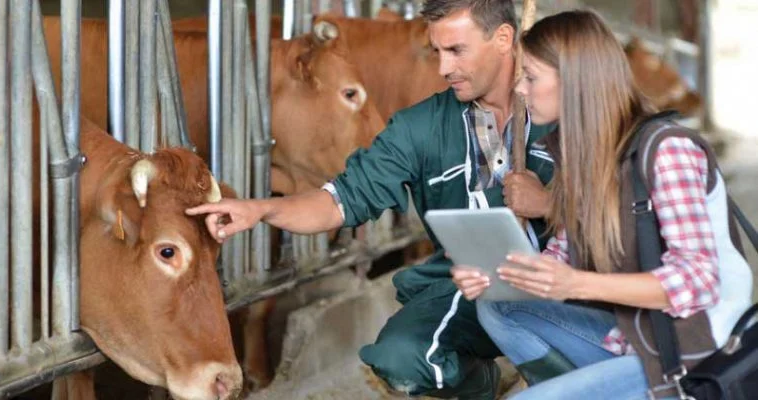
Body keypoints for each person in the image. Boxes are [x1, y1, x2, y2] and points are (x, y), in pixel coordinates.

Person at [186, 1, 558, 398]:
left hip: (571, 284)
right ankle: (485, 383)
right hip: (473, 288)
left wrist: (550, 206)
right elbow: (339, 200)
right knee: (398, 359)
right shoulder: (421, 127)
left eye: (457, 51)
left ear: (503, 39)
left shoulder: (565, 108)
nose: (443, 69)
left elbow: (624, 217)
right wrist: (260, 209)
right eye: (438, 52)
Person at [452, 10, 754, 400]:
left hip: (694, 356)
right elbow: (559, 261)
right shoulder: (584, 158)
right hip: (635, 338)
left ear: (575, 82)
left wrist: (577, 283)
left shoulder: (666, 150)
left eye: (531, 77)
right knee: (500, 309)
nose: (520, 90)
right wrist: (495, 277)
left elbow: (697, 280)